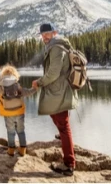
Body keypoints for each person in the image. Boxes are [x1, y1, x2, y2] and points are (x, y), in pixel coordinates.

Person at [32, 23, 78, 176]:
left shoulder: (57, 47)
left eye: (47, 33)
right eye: (43, 34)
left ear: (54, 33)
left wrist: (39, 82)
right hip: (58, 90)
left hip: (58, 91)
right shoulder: (55, 45)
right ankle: (64, 140)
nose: (45, 36)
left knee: (64, 125)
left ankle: (69, 164)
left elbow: (53, 73)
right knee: (59, 120)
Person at [0, 65, 37, 157]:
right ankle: (22, 150)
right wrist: (35, 88)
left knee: (11, 132)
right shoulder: (18, 88)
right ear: (15, 76)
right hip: (19, 112)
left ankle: (11, 150)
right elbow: (28, 92)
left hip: (8, 113)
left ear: (3, 76)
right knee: (21, 131)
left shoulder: (1, 89)